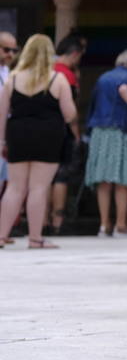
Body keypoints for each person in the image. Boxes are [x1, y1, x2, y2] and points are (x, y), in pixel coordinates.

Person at [0, 34, 77, 248]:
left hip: (18, 134)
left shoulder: (12, 79)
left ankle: (1, 235)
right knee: (39, 187)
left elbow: (2, 113)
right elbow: (70, 114)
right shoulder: (57, 79)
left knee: (15, 187)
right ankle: (35, 238)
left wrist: (1, 142)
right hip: (48, 136)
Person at [84, 49, 127, 237]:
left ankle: (103, 224)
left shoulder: (102, 78)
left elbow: (92, 105)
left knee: (104, 181)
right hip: (122, 131)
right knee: (122, 180)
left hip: (100, 131)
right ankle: (121, 224)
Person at [48, 33, 85, 235]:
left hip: (44, 128)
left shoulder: (46, 71)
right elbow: (70, 109)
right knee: (61, 176)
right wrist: (76, 133)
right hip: (62, 129)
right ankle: (57, 220)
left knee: (43, 177)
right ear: (74, 54)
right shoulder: (67, 76)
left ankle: (42, 219)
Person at [0, 30, 18, 195]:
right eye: (6, 50)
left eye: (14, 50)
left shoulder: (8, 72)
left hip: (6, 134)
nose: (11, 54)